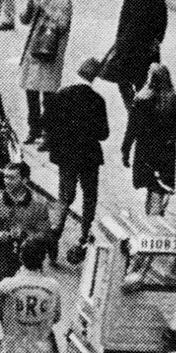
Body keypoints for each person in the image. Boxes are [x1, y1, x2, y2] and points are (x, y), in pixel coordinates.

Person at [43, 56, 108, 260]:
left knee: (65, 196)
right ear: (94, 77)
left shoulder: (62, 95)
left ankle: (55, 233)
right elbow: (103, 133)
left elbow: (46, 123)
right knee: (89, 197)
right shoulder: (97, 100)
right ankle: (83, 237)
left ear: (78, 72)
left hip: (66, 156)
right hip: (89, 156)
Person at [0, 162, 57, 289]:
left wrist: (26, 235)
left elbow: (45, 234)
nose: (6, 181)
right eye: (5, 177)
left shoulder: (39, 205)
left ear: (24, 180)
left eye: (12, 178)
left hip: (29, 266)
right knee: (1, 297)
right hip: (1, 263)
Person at [101, 0, 167, 110]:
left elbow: (130, 18)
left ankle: (134, 112)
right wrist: (157, 39)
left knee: (122, 78)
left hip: (132, 44)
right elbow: (162, 14)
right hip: (149, 44)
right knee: (144, 81)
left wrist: (121, 41)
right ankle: (143, 113)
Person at [122, 64, 176, 216]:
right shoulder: (175, 101)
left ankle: (152, 216)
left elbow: (131, 130)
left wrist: (125, 152)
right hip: (166, 153)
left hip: (145, 153)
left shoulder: (141, 100)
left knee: (152, 186)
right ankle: (155, 216)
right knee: (160, 187)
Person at [20, 0, 73, 143]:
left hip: (51, 53)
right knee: (31, 91)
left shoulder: (64, 0)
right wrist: (30, 3)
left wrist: (45, 7)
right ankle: (33, 128)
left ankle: (49, 134)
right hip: (34, 50)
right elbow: (24, 20)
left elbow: (62, 25)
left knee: (49, 96)